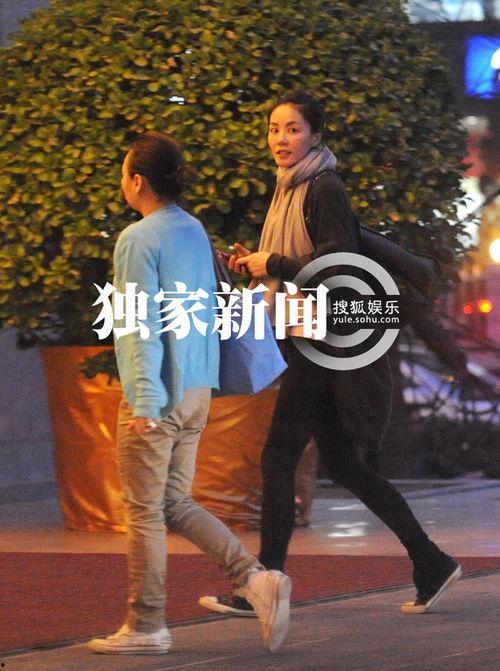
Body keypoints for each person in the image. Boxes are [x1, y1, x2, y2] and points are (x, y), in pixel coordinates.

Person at [199, 90, 461, 618]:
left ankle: (265, 584)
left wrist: (275, 263)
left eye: (293, 129)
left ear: (316, 136)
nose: (281, 139)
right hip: (310, 337)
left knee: (278, 459)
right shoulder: (289, 188)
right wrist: (257, 263)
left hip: (323, 341)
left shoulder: (323, 188)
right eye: (274, 129)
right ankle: (431, 562)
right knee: (344, 464)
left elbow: (339, 269)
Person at [87, 131, 291, 655]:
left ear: (138, 181)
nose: (122, 182)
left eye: (124, 173)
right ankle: (254, 578)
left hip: (158, 394)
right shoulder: (193, 229)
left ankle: (147, 625)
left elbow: (138, 325)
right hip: (198, 389)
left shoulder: (137, 239)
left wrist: (144, 401)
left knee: (144, 513)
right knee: (174, 502)